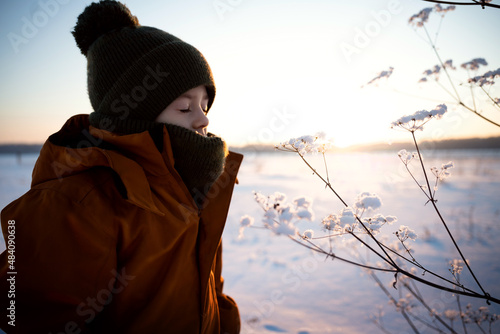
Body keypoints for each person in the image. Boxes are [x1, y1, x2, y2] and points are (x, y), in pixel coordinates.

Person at [0, 1, 242, 333]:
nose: (203, 118)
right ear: (133, 114)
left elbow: (209, 287)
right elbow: (27, 319)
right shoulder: (76, 204)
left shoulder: (196, 187)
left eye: (204, 103)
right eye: (185, 107)